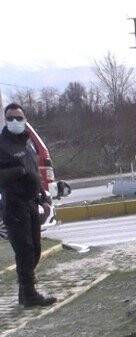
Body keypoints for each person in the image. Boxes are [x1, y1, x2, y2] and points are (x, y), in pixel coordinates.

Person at [0, 103, 56, 307]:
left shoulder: (27, 143)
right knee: (24, 250)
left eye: (19, 117)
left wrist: (43, 196)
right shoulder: (2, 145)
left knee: (35, 250)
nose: (15, 121)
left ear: (25, 119)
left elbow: (33, 172)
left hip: (31, 203)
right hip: (14, 206)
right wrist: (16, 171)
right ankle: (29, 293)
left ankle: (25, 292)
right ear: (6, 120)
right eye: (11, 118)